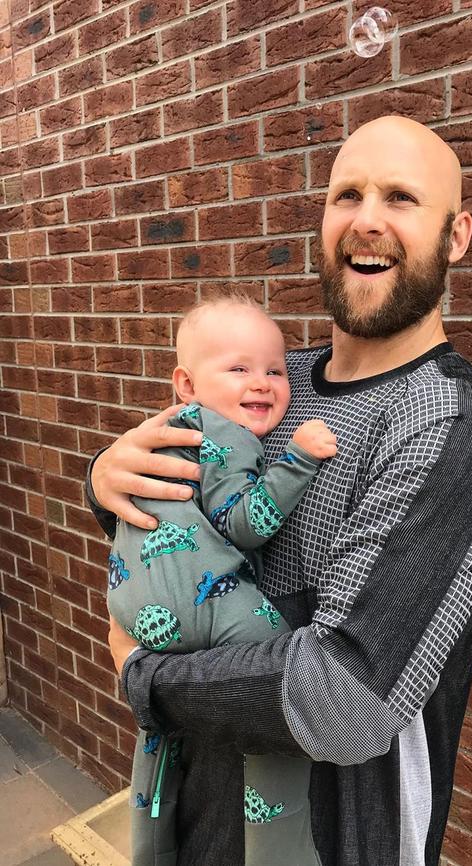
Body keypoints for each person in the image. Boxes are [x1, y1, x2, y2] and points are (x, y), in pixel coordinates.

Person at [88, 115, 472, 866]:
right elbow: (178, 516)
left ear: (457, 236)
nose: (368, 220)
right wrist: (106, 479)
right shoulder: (267, 383)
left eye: (402, 198)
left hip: (336, 832)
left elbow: (344, 699)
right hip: (202, 810)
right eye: (346, 194)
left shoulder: (445, 423)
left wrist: (145, 678)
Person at [107, 294, 336, 866]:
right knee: (277, 692)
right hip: (199, 600)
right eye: (239, 368)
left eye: (275, 370)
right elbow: (246, 522)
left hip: (132, 601)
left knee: (160, 737)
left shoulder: (166, 429)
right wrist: (300, 460)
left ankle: (151, 846)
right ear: (186, 383)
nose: (261, 383)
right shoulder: (228, 435)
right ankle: (282, 848)